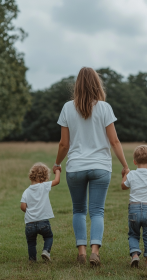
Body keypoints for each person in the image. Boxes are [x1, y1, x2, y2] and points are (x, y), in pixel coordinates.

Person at [54, 67, 129, 266]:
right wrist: (125, 165)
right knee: (97, 211)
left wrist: (57, 163)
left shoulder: (67, 108)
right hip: (100, 167)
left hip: (75, 167)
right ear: (97, 84)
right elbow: (114, 142)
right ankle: (95, 251)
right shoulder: (105, 108)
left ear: (77, 85)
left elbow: (64, 144)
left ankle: (81, 252)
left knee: (78, 210)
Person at [20, 163, 61, 262]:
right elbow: (57, 181)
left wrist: (29, 211)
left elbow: (23, 206)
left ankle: (32, 260)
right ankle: (46, 251)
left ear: (31, 175)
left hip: (30, 223)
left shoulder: (26, 191)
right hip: (43, 221)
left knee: (31, 243)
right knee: (48, 236)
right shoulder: (44, 186)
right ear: (45, 177)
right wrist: (58, 170)